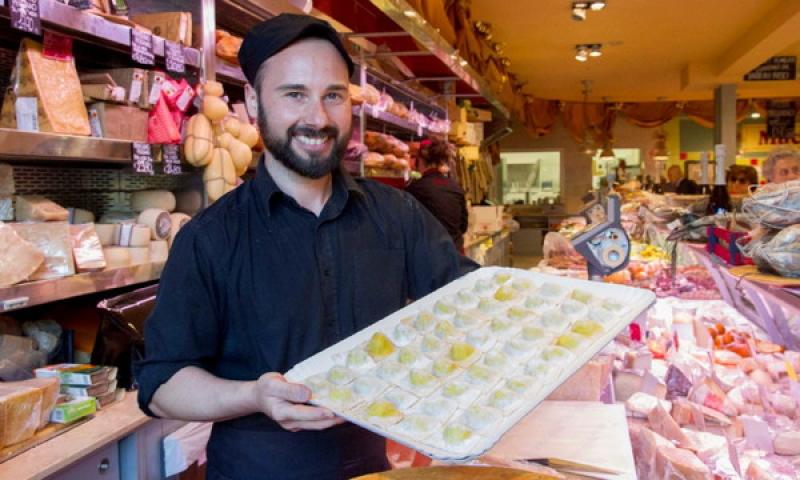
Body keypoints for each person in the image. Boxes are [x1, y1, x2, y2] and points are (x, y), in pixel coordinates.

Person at [135, 14, 478, 480]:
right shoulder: (210, 237)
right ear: (254, 100)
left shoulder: (397, 216)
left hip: (372, 468)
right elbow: (161, 385)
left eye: (332, 96)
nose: (317, 118)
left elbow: (471, 304)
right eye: (294, 94)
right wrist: (254, 396)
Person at [405, 139, 469, 251]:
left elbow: (406, 227)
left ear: (420, 161)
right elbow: (463, 226)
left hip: (430, 256)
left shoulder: (415, 189)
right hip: (455, 254)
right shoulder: (456, 188)